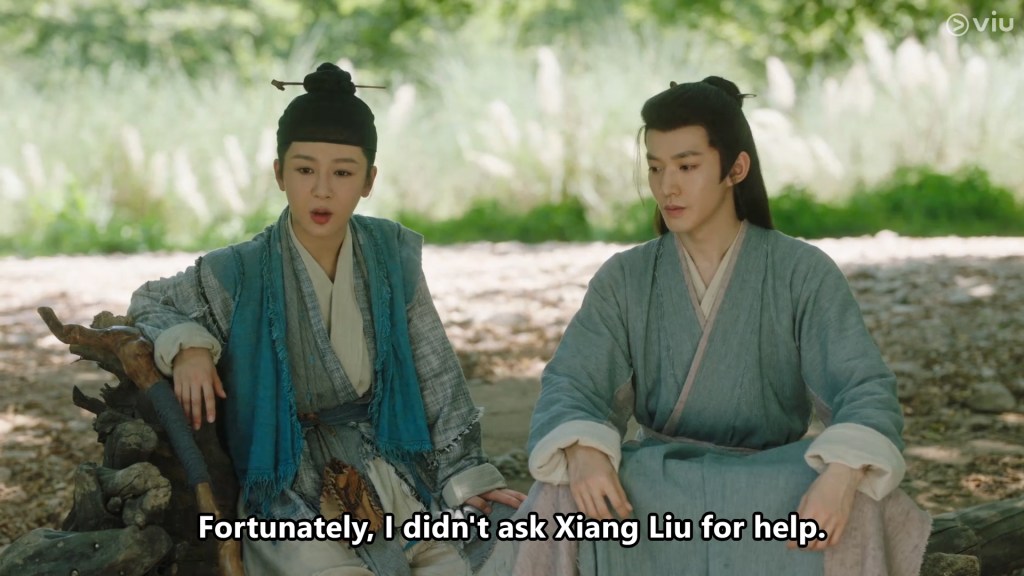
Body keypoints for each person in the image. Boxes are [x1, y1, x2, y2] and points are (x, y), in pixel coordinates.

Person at [509, 76, 931, 575]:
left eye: (687, 166)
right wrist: (583, 451)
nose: (667, 186)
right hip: (656, 484)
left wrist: (840, 475)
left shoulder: (802, 271)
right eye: (655, 167)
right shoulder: (625, 277)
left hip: (772, 483)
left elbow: (863, 387)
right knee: (563, 490)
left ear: (736, 168)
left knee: (859, 492)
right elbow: (573, 384)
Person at [128, 62, 525, 576]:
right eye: (304, 170)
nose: (321, 190)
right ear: (279, 173)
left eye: (342, 172)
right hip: (292, 485)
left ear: (369, 180)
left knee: (491, 553)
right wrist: (188, 346)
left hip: (389, 464)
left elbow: (436, 372)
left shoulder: (390, 253)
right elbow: (150, 300)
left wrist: (466, 476)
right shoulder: (241, 269)